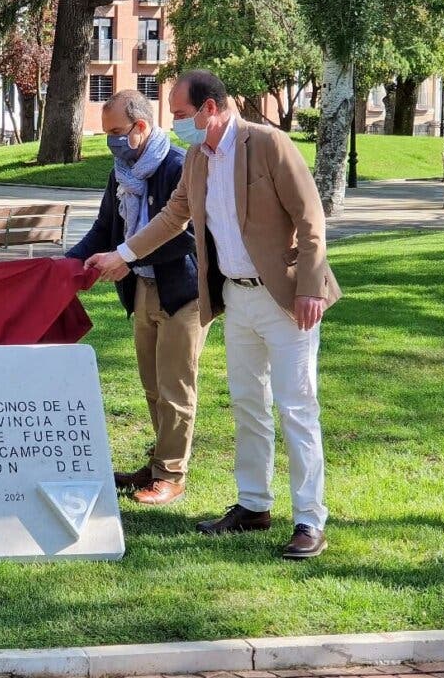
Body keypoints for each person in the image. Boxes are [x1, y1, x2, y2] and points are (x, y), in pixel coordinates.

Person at [86, 70, 341, 560]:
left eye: (181, 115)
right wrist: (122, 254)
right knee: (248, 404)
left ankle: (309, 519)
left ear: (210, 108)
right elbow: (171, 218)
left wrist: (310, 288)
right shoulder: (199, 160)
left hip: (288, 299)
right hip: (237, 297)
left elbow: (311, 218)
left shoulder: (268, 144)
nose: (177, 125)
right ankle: (253, 505)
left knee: (296, 407)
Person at [67, 90, 209, 505]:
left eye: (115, 131)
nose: (109, 140)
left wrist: (127, 259)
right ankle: (159, 460)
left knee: (176, 386)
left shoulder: (178, 167)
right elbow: (104, 228)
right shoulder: (120, 172)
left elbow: (187, 236)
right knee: (151, 385)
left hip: (183, 292)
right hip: (143, 290)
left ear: (141, 126)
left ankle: (171, 474)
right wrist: (65, 265)